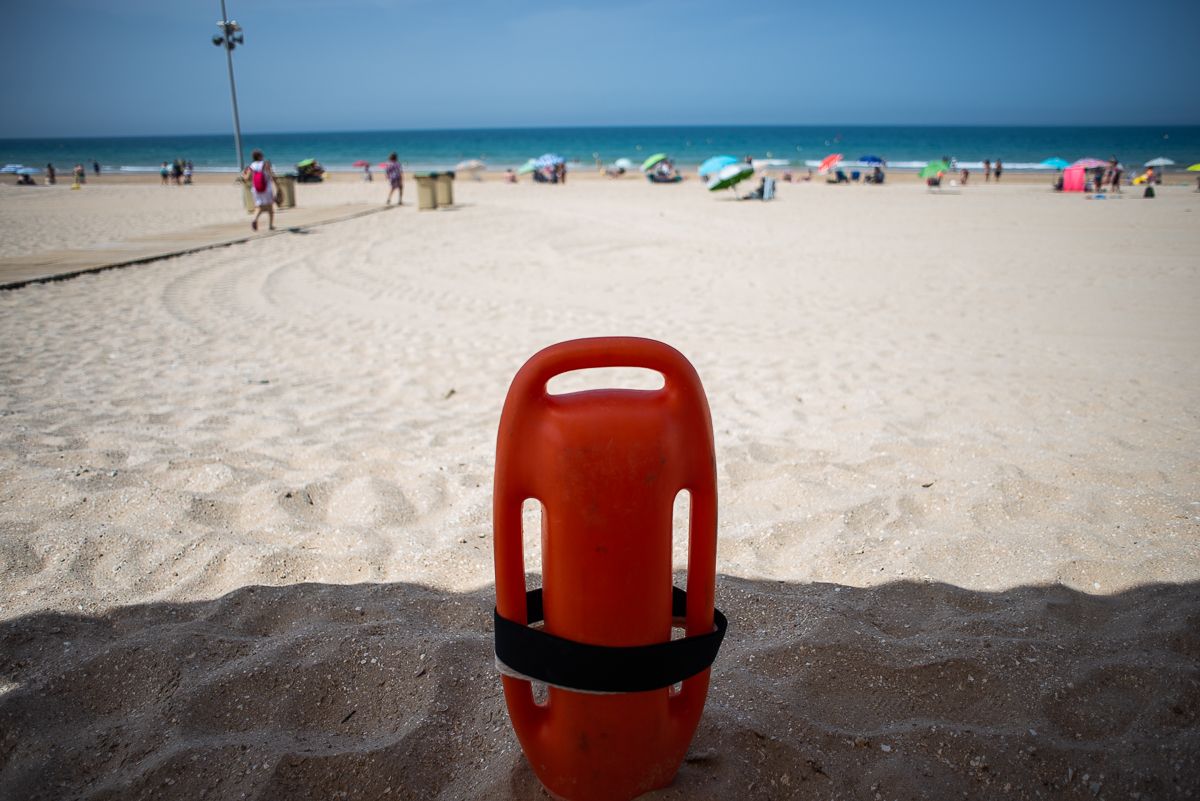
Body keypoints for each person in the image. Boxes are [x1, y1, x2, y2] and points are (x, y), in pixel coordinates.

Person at [243, 148, 277, 231]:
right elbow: (271, 175)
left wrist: (243, 176)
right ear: (259, 156)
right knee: (270, 207)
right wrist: (276, 183)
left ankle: (255, 219)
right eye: (261, 155)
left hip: (256, 189)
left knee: (259, 207)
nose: (263, 156)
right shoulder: (265, 164)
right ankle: (270, 225)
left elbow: (246, 178)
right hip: (267, 189)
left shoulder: (251, 166)